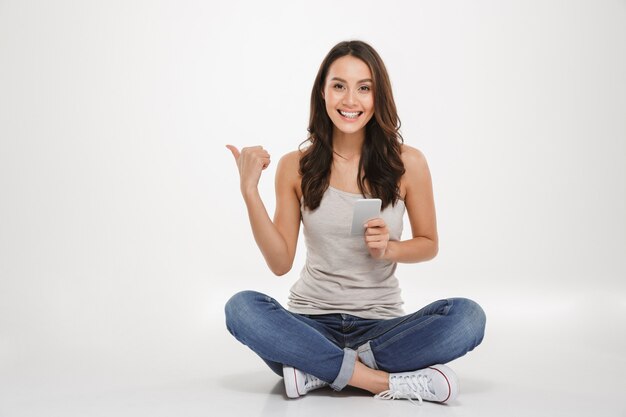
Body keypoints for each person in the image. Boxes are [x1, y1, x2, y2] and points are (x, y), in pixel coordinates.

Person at [224, 40, 486, 404]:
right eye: (339, 86)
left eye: (364, 88)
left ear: (378, 96)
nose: (350, 100)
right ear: (323, 92)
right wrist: (249, 190)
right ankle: (379, 381)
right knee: (241, 308)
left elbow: (428, 242)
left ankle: (318, 371)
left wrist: (390, 248)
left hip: (381, 329)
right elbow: (280, 263)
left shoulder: (408, 163)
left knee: (468, 317)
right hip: (309, 323)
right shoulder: (293, 167)